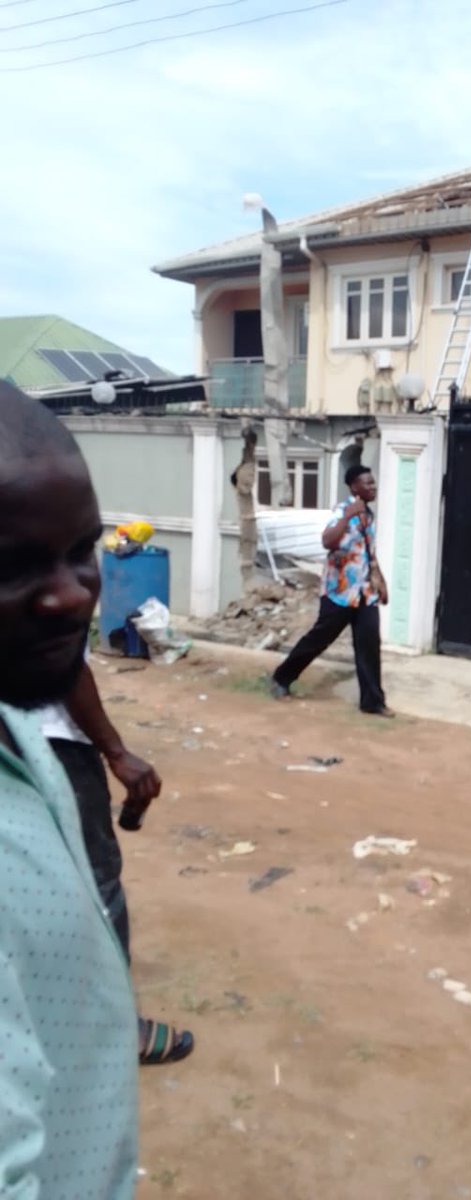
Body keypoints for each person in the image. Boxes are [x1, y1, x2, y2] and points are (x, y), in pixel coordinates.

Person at [0, 381, 137, 1194]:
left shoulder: (17, 727)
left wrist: (116, 752)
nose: (73, 593)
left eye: (82, 549)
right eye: (12, 566)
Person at [34, 660, 194, 1064]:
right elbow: (61, 662)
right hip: (48, 740)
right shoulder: (58, 598)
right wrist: (116, 752)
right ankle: (116, 1029)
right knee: (95, 880)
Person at [270, 464, 394, 716]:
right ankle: (281, 678)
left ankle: (373, 702)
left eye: (373, 483)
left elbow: (367, 551)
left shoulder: (368, 516)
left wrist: (380, 581)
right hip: (339, 592)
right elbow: (327, 541)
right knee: (319, 639)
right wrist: (348, 515)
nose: (373, 487)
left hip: (364, 593)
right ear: (354, 487)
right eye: (368, 483)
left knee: (369, 644)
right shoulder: (342, 511)